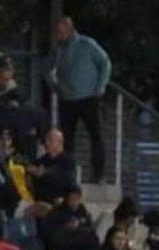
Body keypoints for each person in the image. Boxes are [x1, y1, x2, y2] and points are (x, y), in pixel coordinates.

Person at [48, 17, 111, 182]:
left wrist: (101, 86)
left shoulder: (87, 44)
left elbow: (105, 63)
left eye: (61, 32)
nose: (58, 36)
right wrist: (55, 86)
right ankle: (68, 173)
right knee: (67, 138)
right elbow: (46, 68)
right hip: (68, 99)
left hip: (90, 97)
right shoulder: (58, 50)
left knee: (96, 136)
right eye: (57, 33)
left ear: (69, 30)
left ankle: (99, 174)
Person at [26, 129, 76, 204]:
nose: (46, 143)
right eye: (46, 140)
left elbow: (67, 181)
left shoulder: (68, 161)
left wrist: (45, 173)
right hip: (38, 203)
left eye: (50, 140)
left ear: (60, 142)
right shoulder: (41, 160)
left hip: (59, 205)